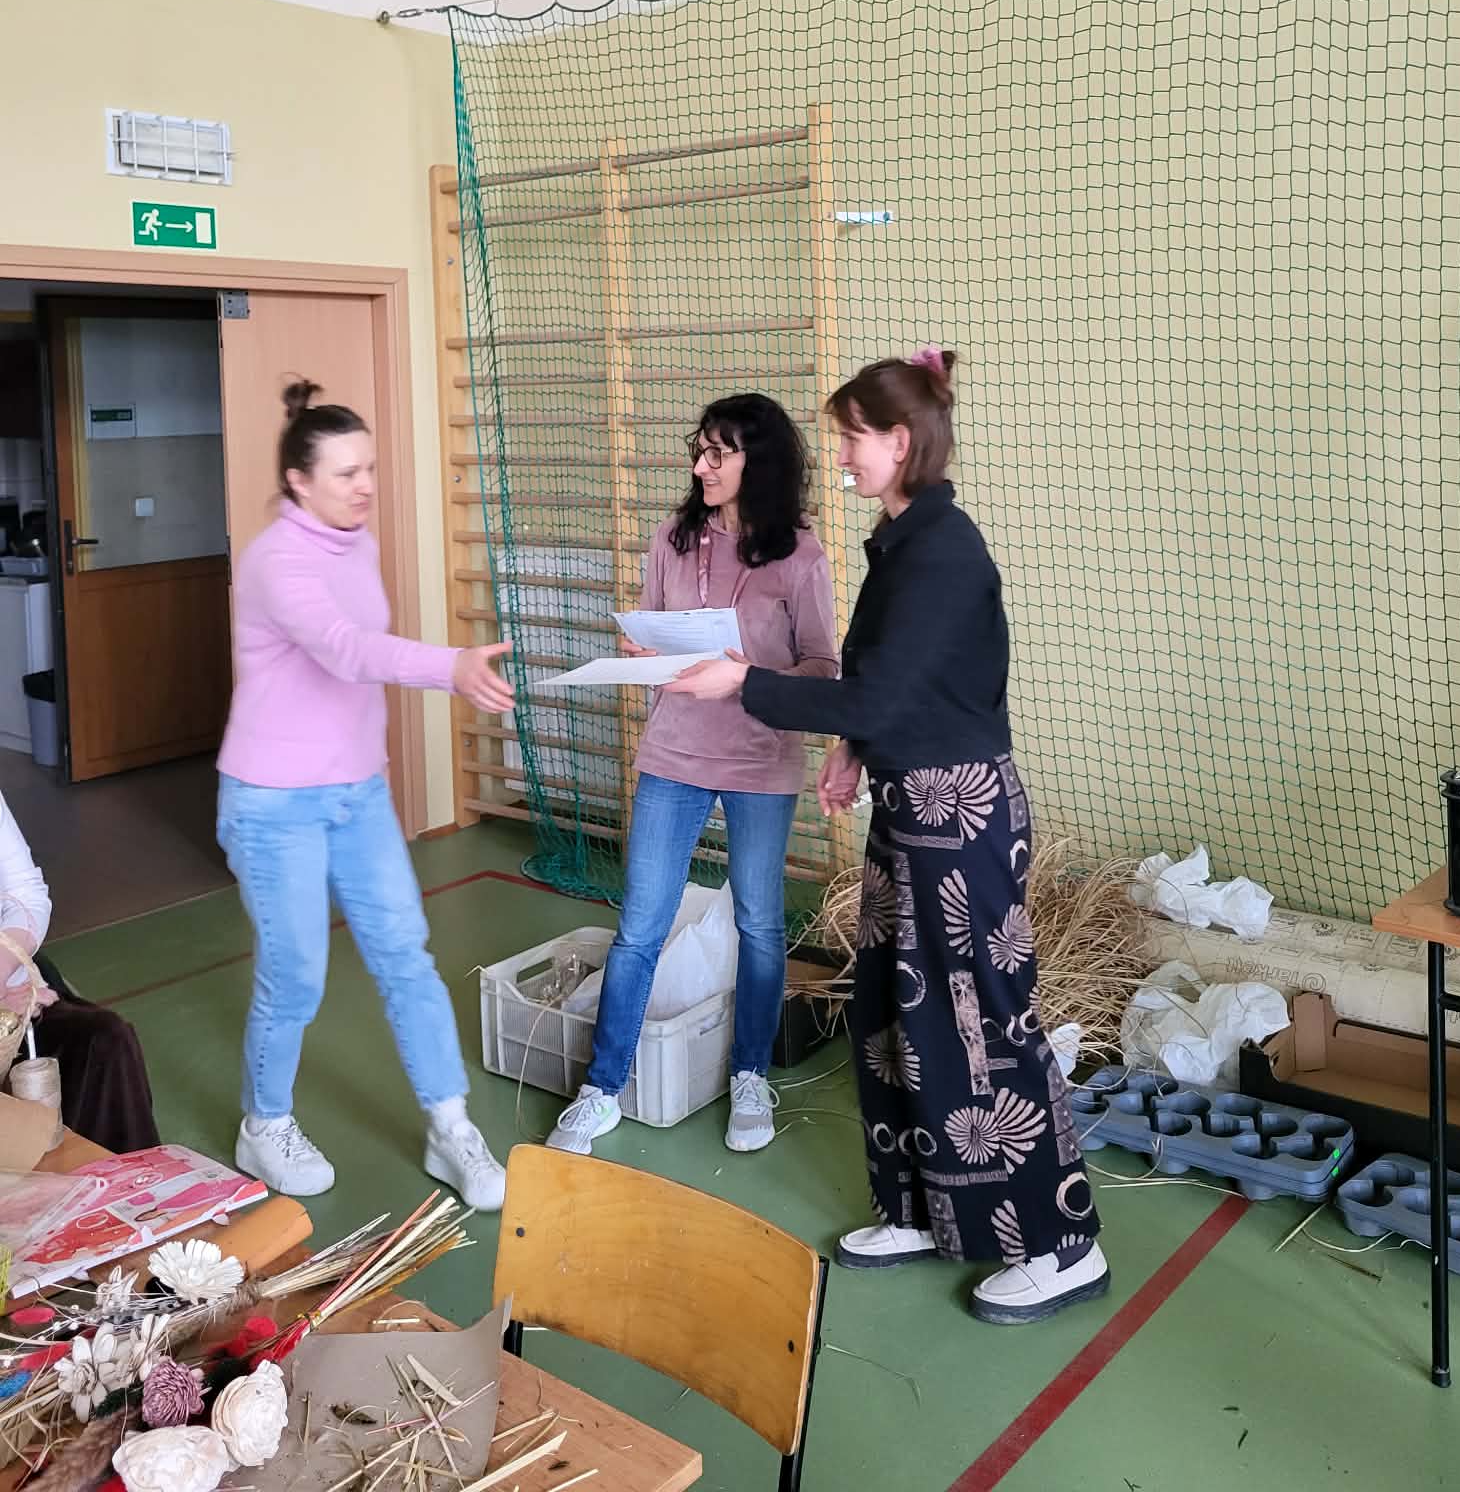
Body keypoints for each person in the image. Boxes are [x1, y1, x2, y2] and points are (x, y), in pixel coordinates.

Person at [673, 350, 1107, 1324]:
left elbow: (880, 692)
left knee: (982, 1025)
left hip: (961, 816)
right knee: (891, 1016)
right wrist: (852, 752)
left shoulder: (943, 549)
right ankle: (921, 1209)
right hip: (909, 806)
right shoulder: (899, 538)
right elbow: (888, 682)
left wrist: (742, 680)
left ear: (900, 441)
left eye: (852, 437)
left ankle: (1060, 1242)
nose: (840, 454)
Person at [217, 381, 516, 1209]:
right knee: (295, 974)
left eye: (370, 468)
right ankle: (263, 1123)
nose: (365, 486)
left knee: (405, 956)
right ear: (298, 481)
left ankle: (450, 1127)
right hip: (274, 802)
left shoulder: (355, 542)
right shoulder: (276, 560)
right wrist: (451, 667)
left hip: (357, 793)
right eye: (346, 473)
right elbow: (347, 651)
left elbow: (358, 654)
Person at [547, 393, 838, 1159]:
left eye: (717, 453)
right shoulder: (671, 538)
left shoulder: (801, 554)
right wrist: (648, 658)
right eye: (698, 450)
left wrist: (751, 673)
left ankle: (750, 1074)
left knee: (760, 924)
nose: (700, 466)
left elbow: (823, 668)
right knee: (641, 925)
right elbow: (655, 629)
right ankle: (602, 1088)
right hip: (673, 755)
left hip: (761, 760)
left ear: (757, 462)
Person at [0, 791, 160, 1152]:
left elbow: (26, 892)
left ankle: (136, 1186)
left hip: (15, 1002)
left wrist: (4, 966)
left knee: (105, 1042)